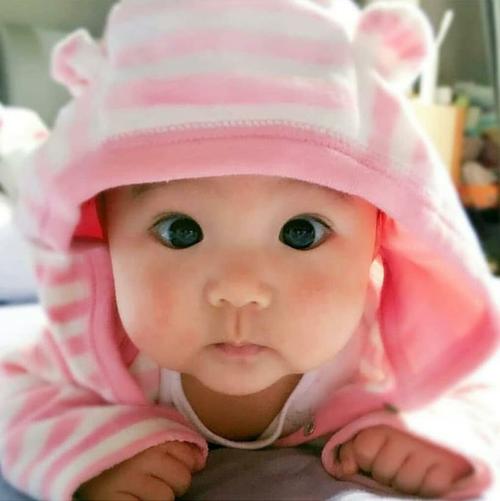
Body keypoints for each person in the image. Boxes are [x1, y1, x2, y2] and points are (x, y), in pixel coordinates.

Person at [0, 0, 499, 500]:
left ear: (377, 238)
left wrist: (430, 436)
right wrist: (95, 455)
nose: (239, 289)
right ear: (107, 235)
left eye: (302, 232)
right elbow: (13, 395)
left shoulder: (381, 341)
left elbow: (475, 384)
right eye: (180, 231)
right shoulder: (100, 343)